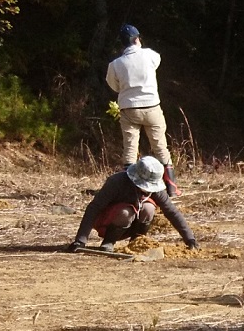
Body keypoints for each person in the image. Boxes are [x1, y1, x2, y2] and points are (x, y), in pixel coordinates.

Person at [106, 24, 179, 197]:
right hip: (152, 106)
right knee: (160, 146)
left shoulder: (115, 64)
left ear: (122, 43)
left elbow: (114, 86)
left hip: (129, 108)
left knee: (130, 148)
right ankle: (171, 188)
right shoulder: (150, 55)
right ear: (137, 39)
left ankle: (129, 191)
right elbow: (157, 63)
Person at [70, 156, 199, 252]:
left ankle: (136, 242)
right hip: (108, 221)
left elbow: (172, 212)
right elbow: (94, 208)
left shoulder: (157, 190)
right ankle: (109, 242)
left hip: (133, 225)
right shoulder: (117, 182)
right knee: (126, 212)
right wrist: (80, 241)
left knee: (149, 208)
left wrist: (190, 239)